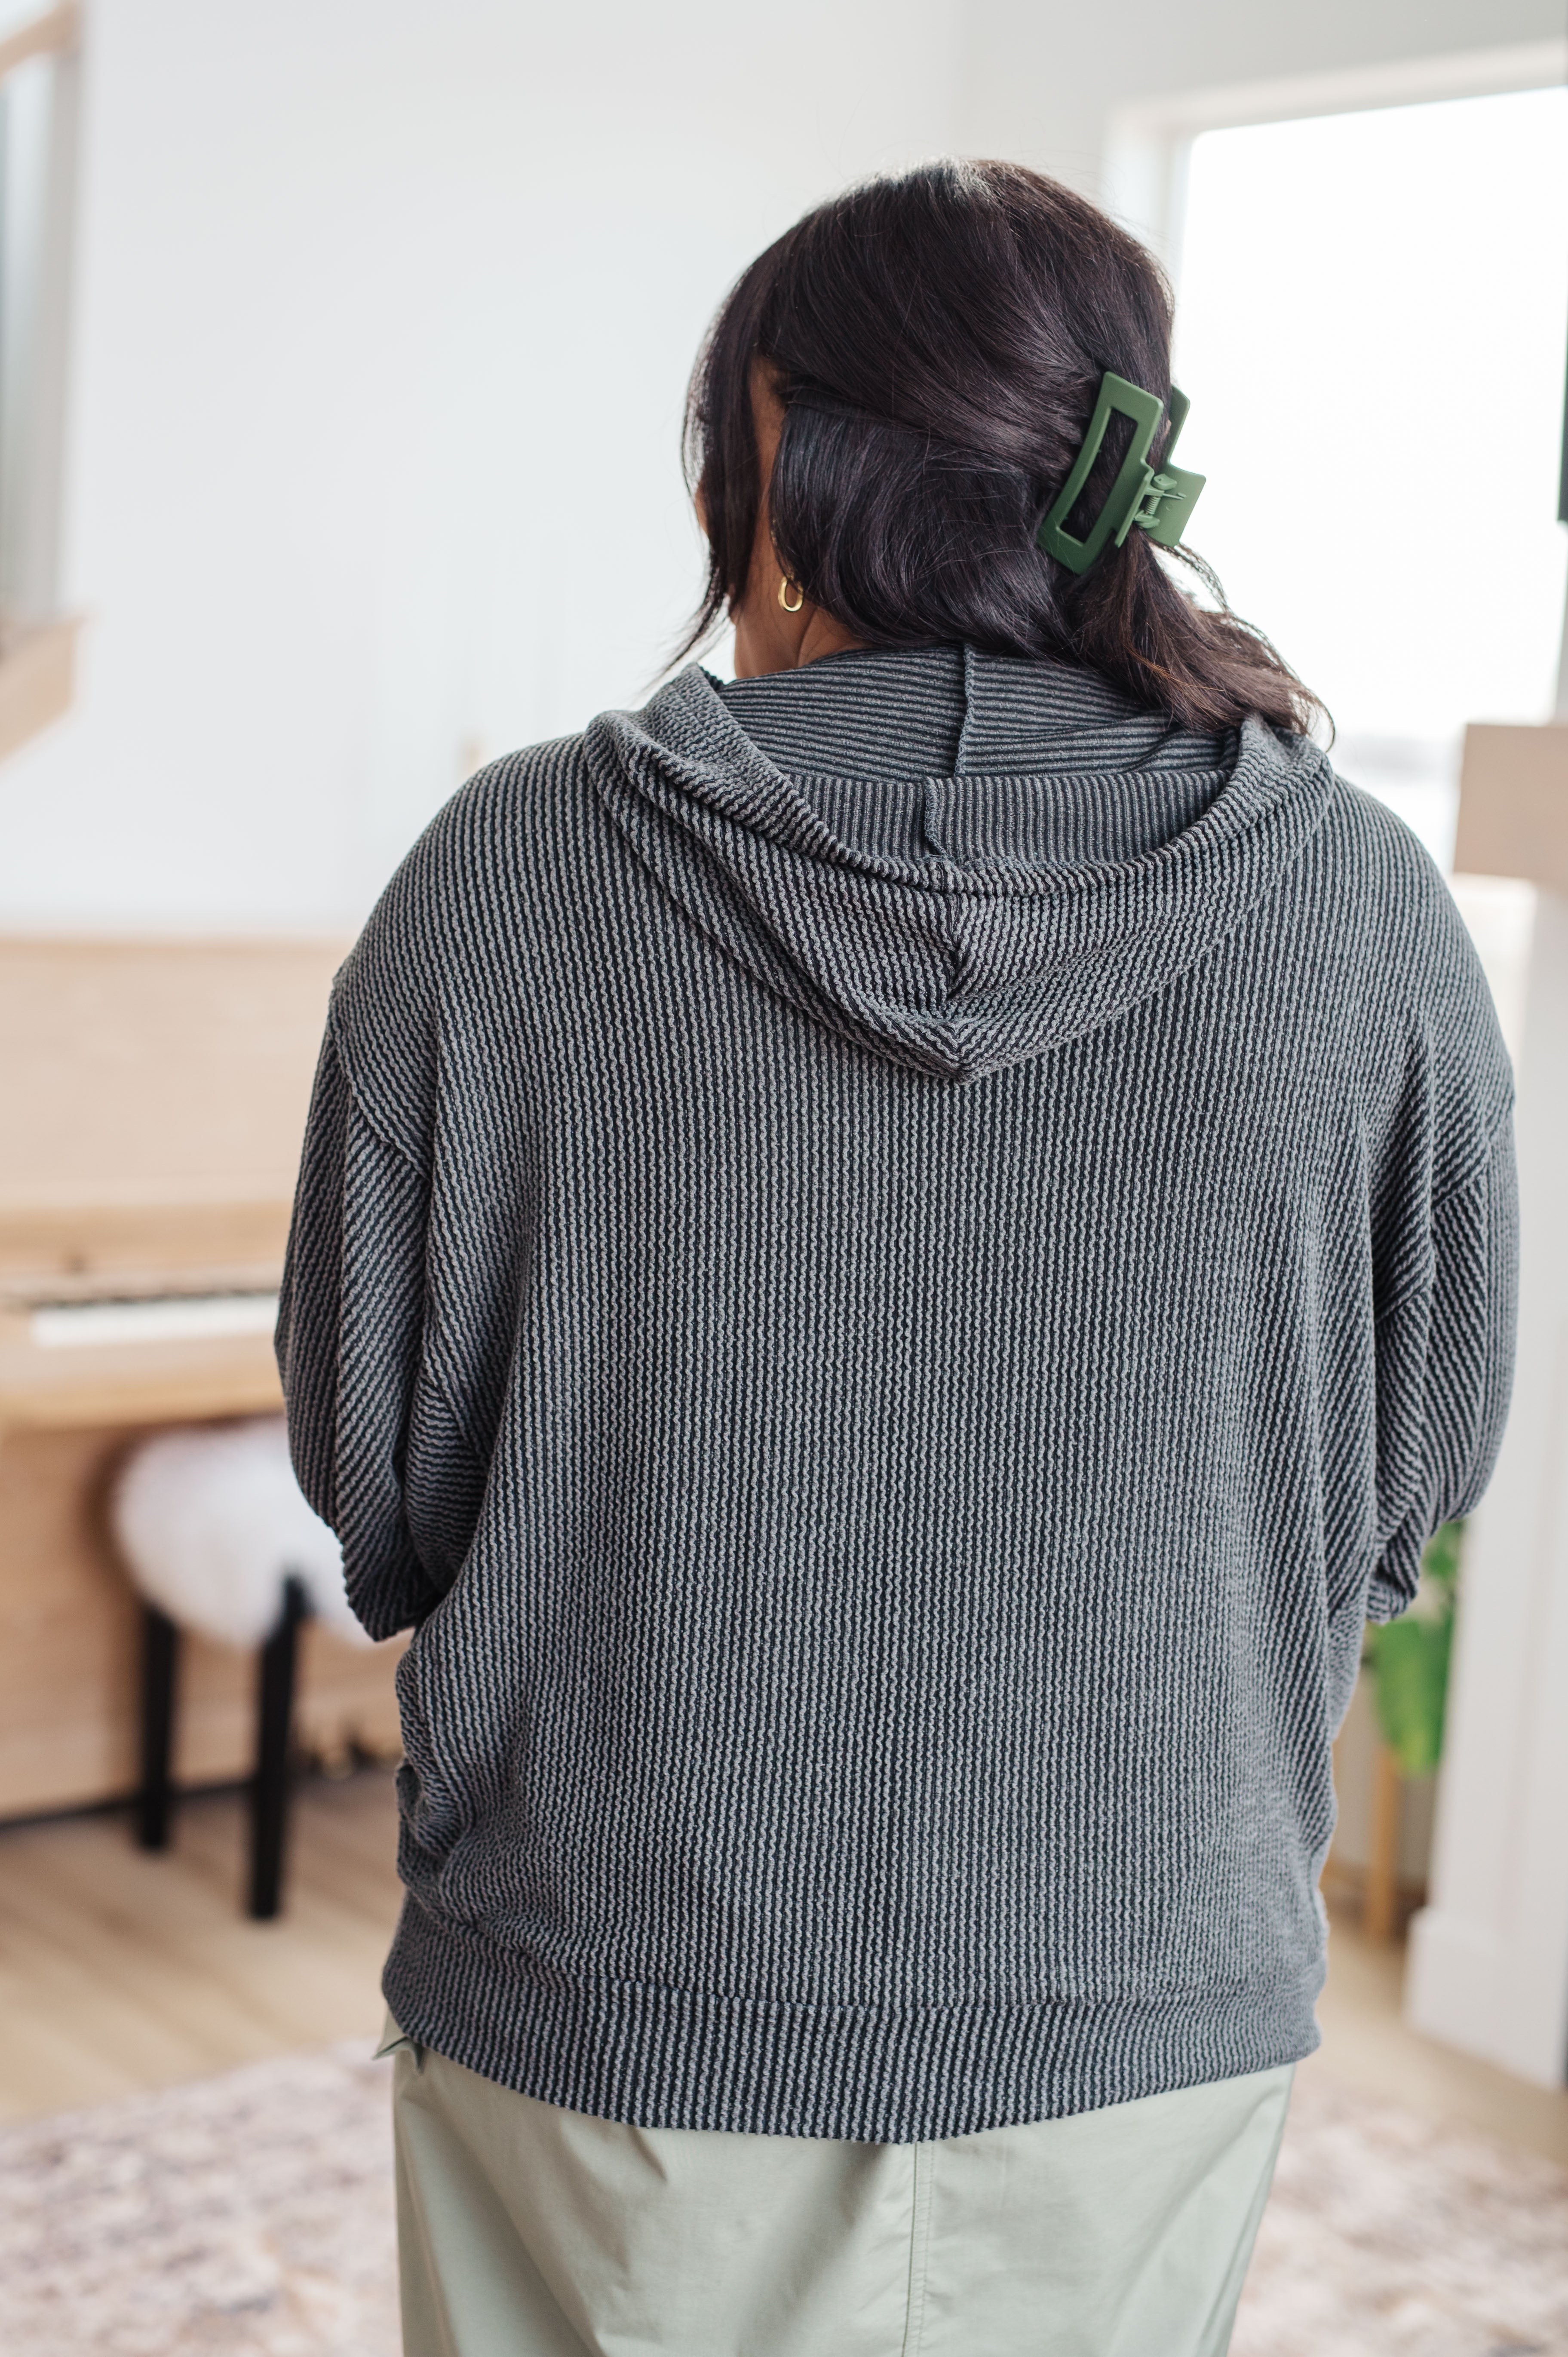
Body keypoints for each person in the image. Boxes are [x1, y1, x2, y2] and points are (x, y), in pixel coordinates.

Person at [277, 159, 1517, 2356]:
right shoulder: (1363, 915)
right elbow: (1412, 1483)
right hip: (1147, 2008)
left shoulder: (509, 880)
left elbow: (376, 1467)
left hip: (609, 2007)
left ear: (771, 457)